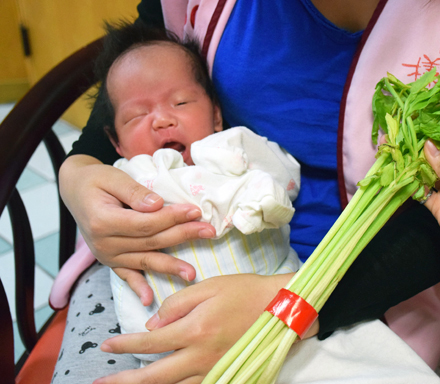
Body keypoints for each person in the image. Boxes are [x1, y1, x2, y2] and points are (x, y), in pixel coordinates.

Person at [53, 0, 440, 383]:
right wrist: (77, 170)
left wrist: (294, 306)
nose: (161, 118)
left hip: (367, 294)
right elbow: (145, 60)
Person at [82, 22, 303, 368]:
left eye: (180, 101)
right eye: (137, 115)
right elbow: (102, 233)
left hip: (275, 316)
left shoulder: (235, 147)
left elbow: (286, 177)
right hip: (170, 345)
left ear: (216, 115)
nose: (161, 120)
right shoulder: (125, 178)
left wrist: (260, 194)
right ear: (116, 143)